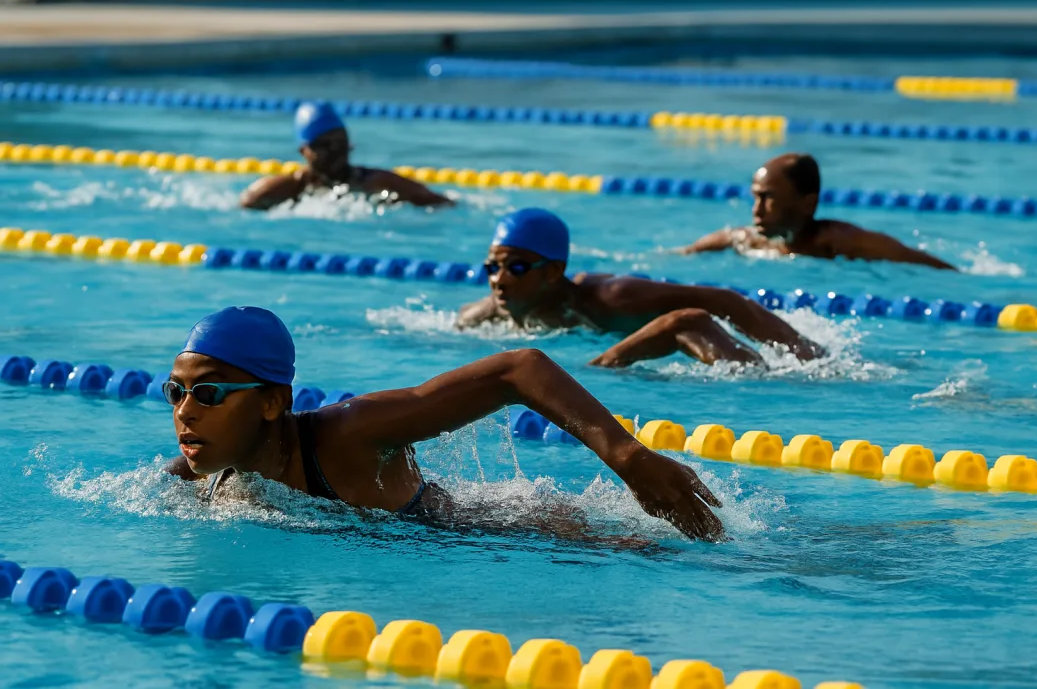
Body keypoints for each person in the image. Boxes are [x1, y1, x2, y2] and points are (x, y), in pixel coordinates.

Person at [164, 306, 725, 541]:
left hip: (510, 535)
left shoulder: (349, 434)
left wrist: (629, 457)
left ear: (270, 402)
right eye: (176, 392)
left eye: (209, 393)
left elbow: (518, 368)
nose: (185, 412)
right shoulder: (199, 473)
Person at [458, 208, 823, 368]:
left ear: (554, 271)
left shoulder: (612, 297)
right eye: (493, 266)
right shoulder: (489, 310)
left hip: (684, 336)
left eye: (516, 267)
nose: (499, 279)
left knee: (688, 322)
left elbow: (723, 300)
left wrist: (801, 352)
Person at [680, 154, 956, 271]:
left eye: (769, 198)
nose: (757, 210)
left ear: (808, 204)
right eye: (755, 198)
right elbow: (685, 253)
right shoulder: (746, 240)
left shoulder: (839, 241)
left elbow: (930, 266)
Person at [239, 102, 452, 210]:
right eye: (325, 145)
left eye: (340, 143)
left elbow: (441, 203)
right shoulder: (286, 188)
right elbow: (245, 206)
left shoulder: (378, 182)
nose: (335, 151)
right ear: (304, 151)